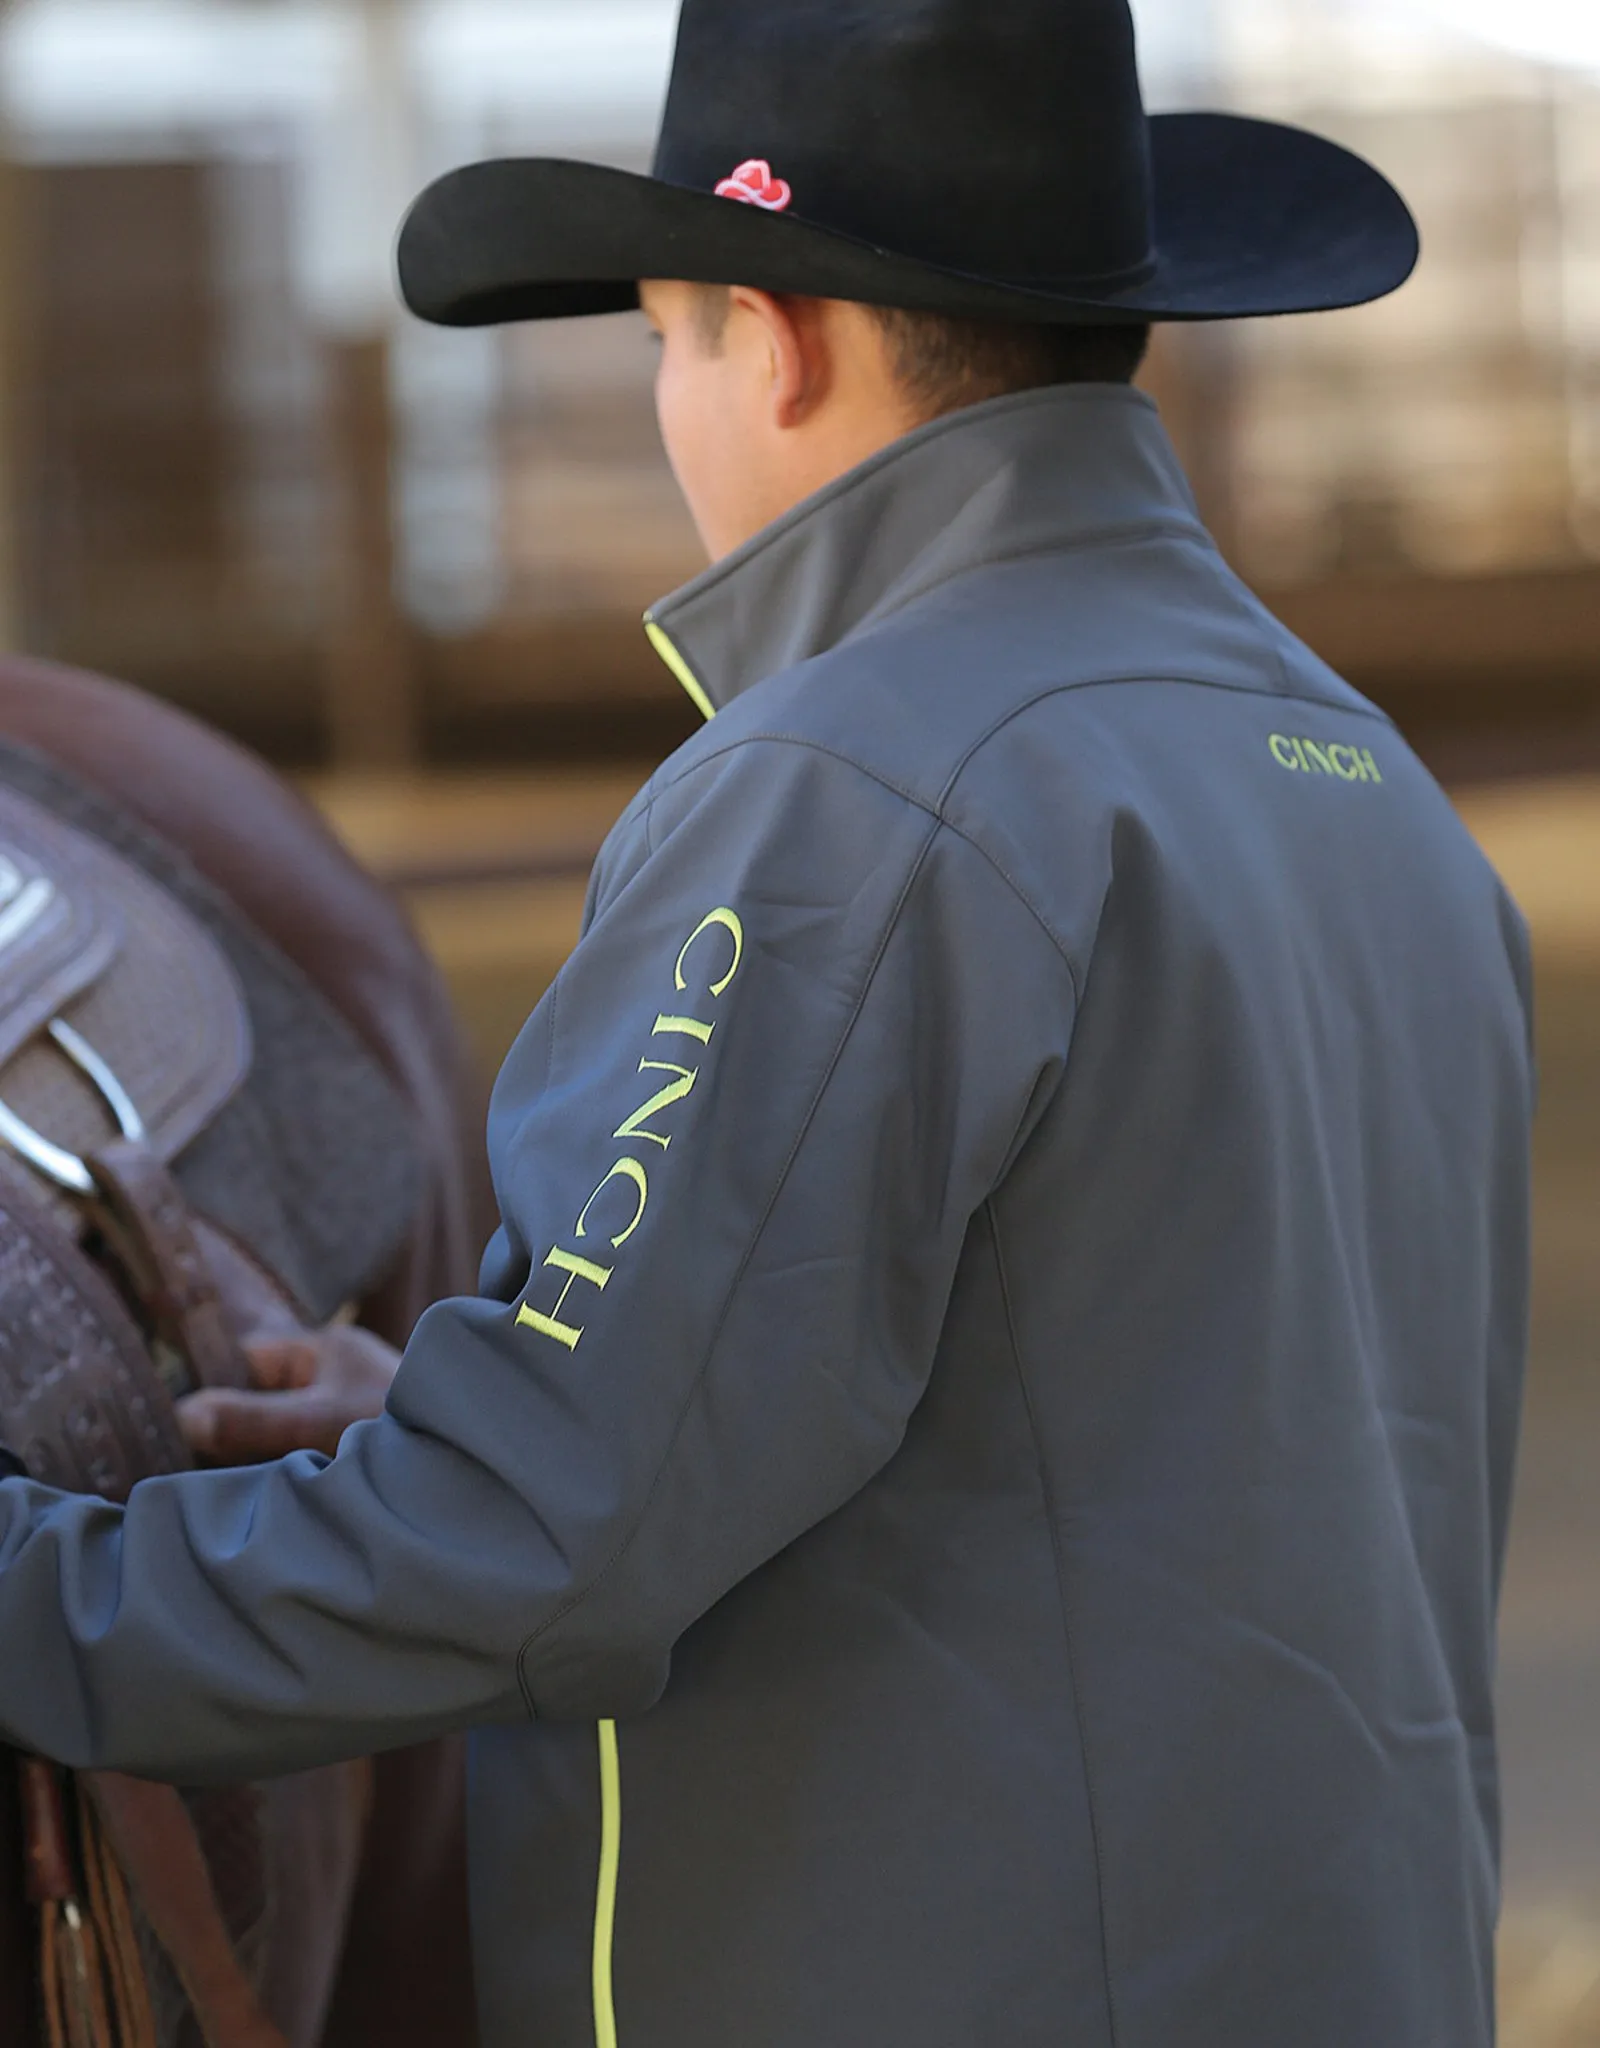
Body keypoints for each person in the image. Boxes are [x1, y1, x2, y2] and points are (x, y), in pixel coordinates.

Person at [0, 2, 1534, 2044]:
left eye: (660, 335)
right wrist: (484, 1400)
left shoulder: (841, 793)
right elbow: (1120, 1423)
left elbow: (539, 1547)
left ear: (773, 333)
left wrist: (39, 1595)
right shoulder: (1360, 784)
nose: (666, 394)